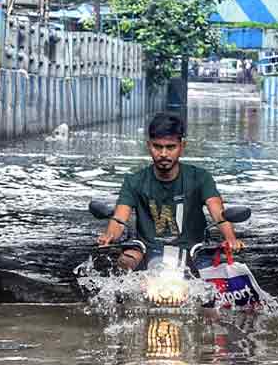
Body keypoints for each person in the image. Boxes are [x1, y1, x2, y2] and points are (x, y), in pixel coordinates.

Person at [97, 112, 244, 273]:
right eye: (157, 147)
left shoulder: (201, 178)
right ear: (149, 146)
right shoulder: (134, 181)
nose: (163, 154)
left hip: (193, 252)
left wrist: (231, 239)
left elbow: (218, 213)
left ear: (182, 146)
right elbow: (119, 219)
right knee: (124, 261)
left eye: (170, 147)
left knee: (219, 274)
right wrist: (109, 235)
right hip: (148, 252)